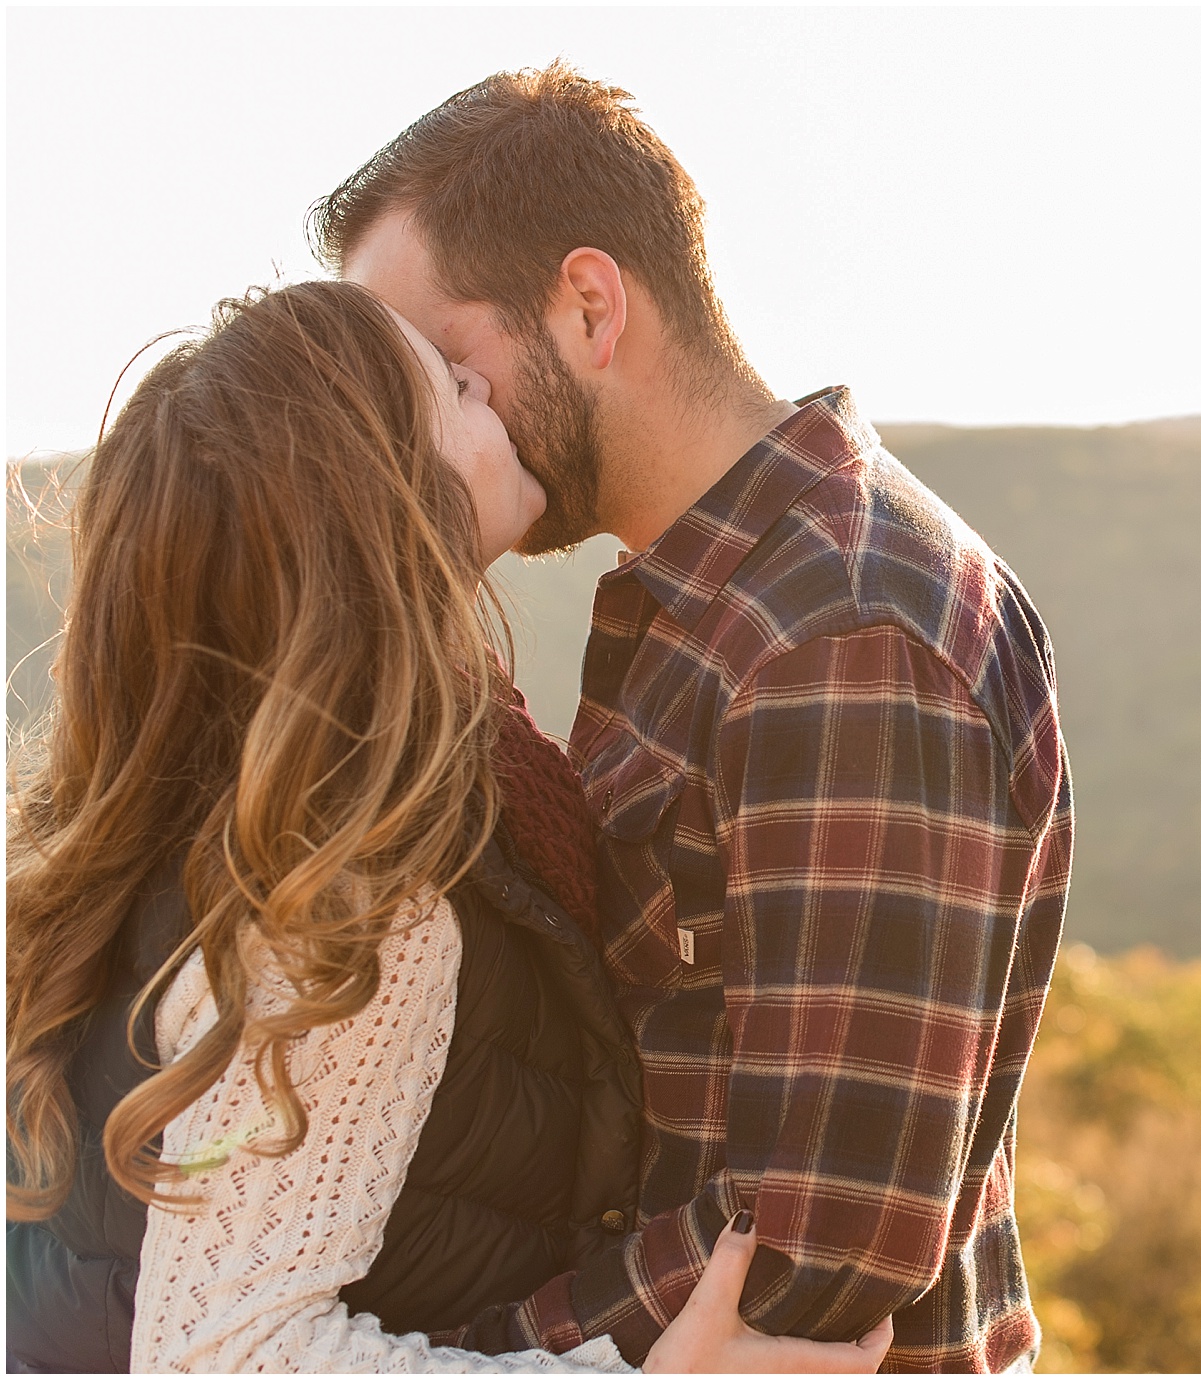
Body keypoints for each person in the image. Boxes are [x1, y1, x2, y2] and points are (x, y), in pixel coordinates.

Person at [320, 63, 1074, 1372]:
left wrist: (461, 1361)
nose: (420, 435)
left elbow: (808, 1246)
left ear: (591, 305)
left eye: (445, 369)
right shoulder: (705, 598)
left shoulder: (836, 632)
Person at [4, 279, 892, 1375]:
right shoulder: (349, 892)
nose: (482, 381)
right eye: (447, 387)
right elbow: (225, 1354)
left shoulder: (220, 811)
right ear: (383, 499)